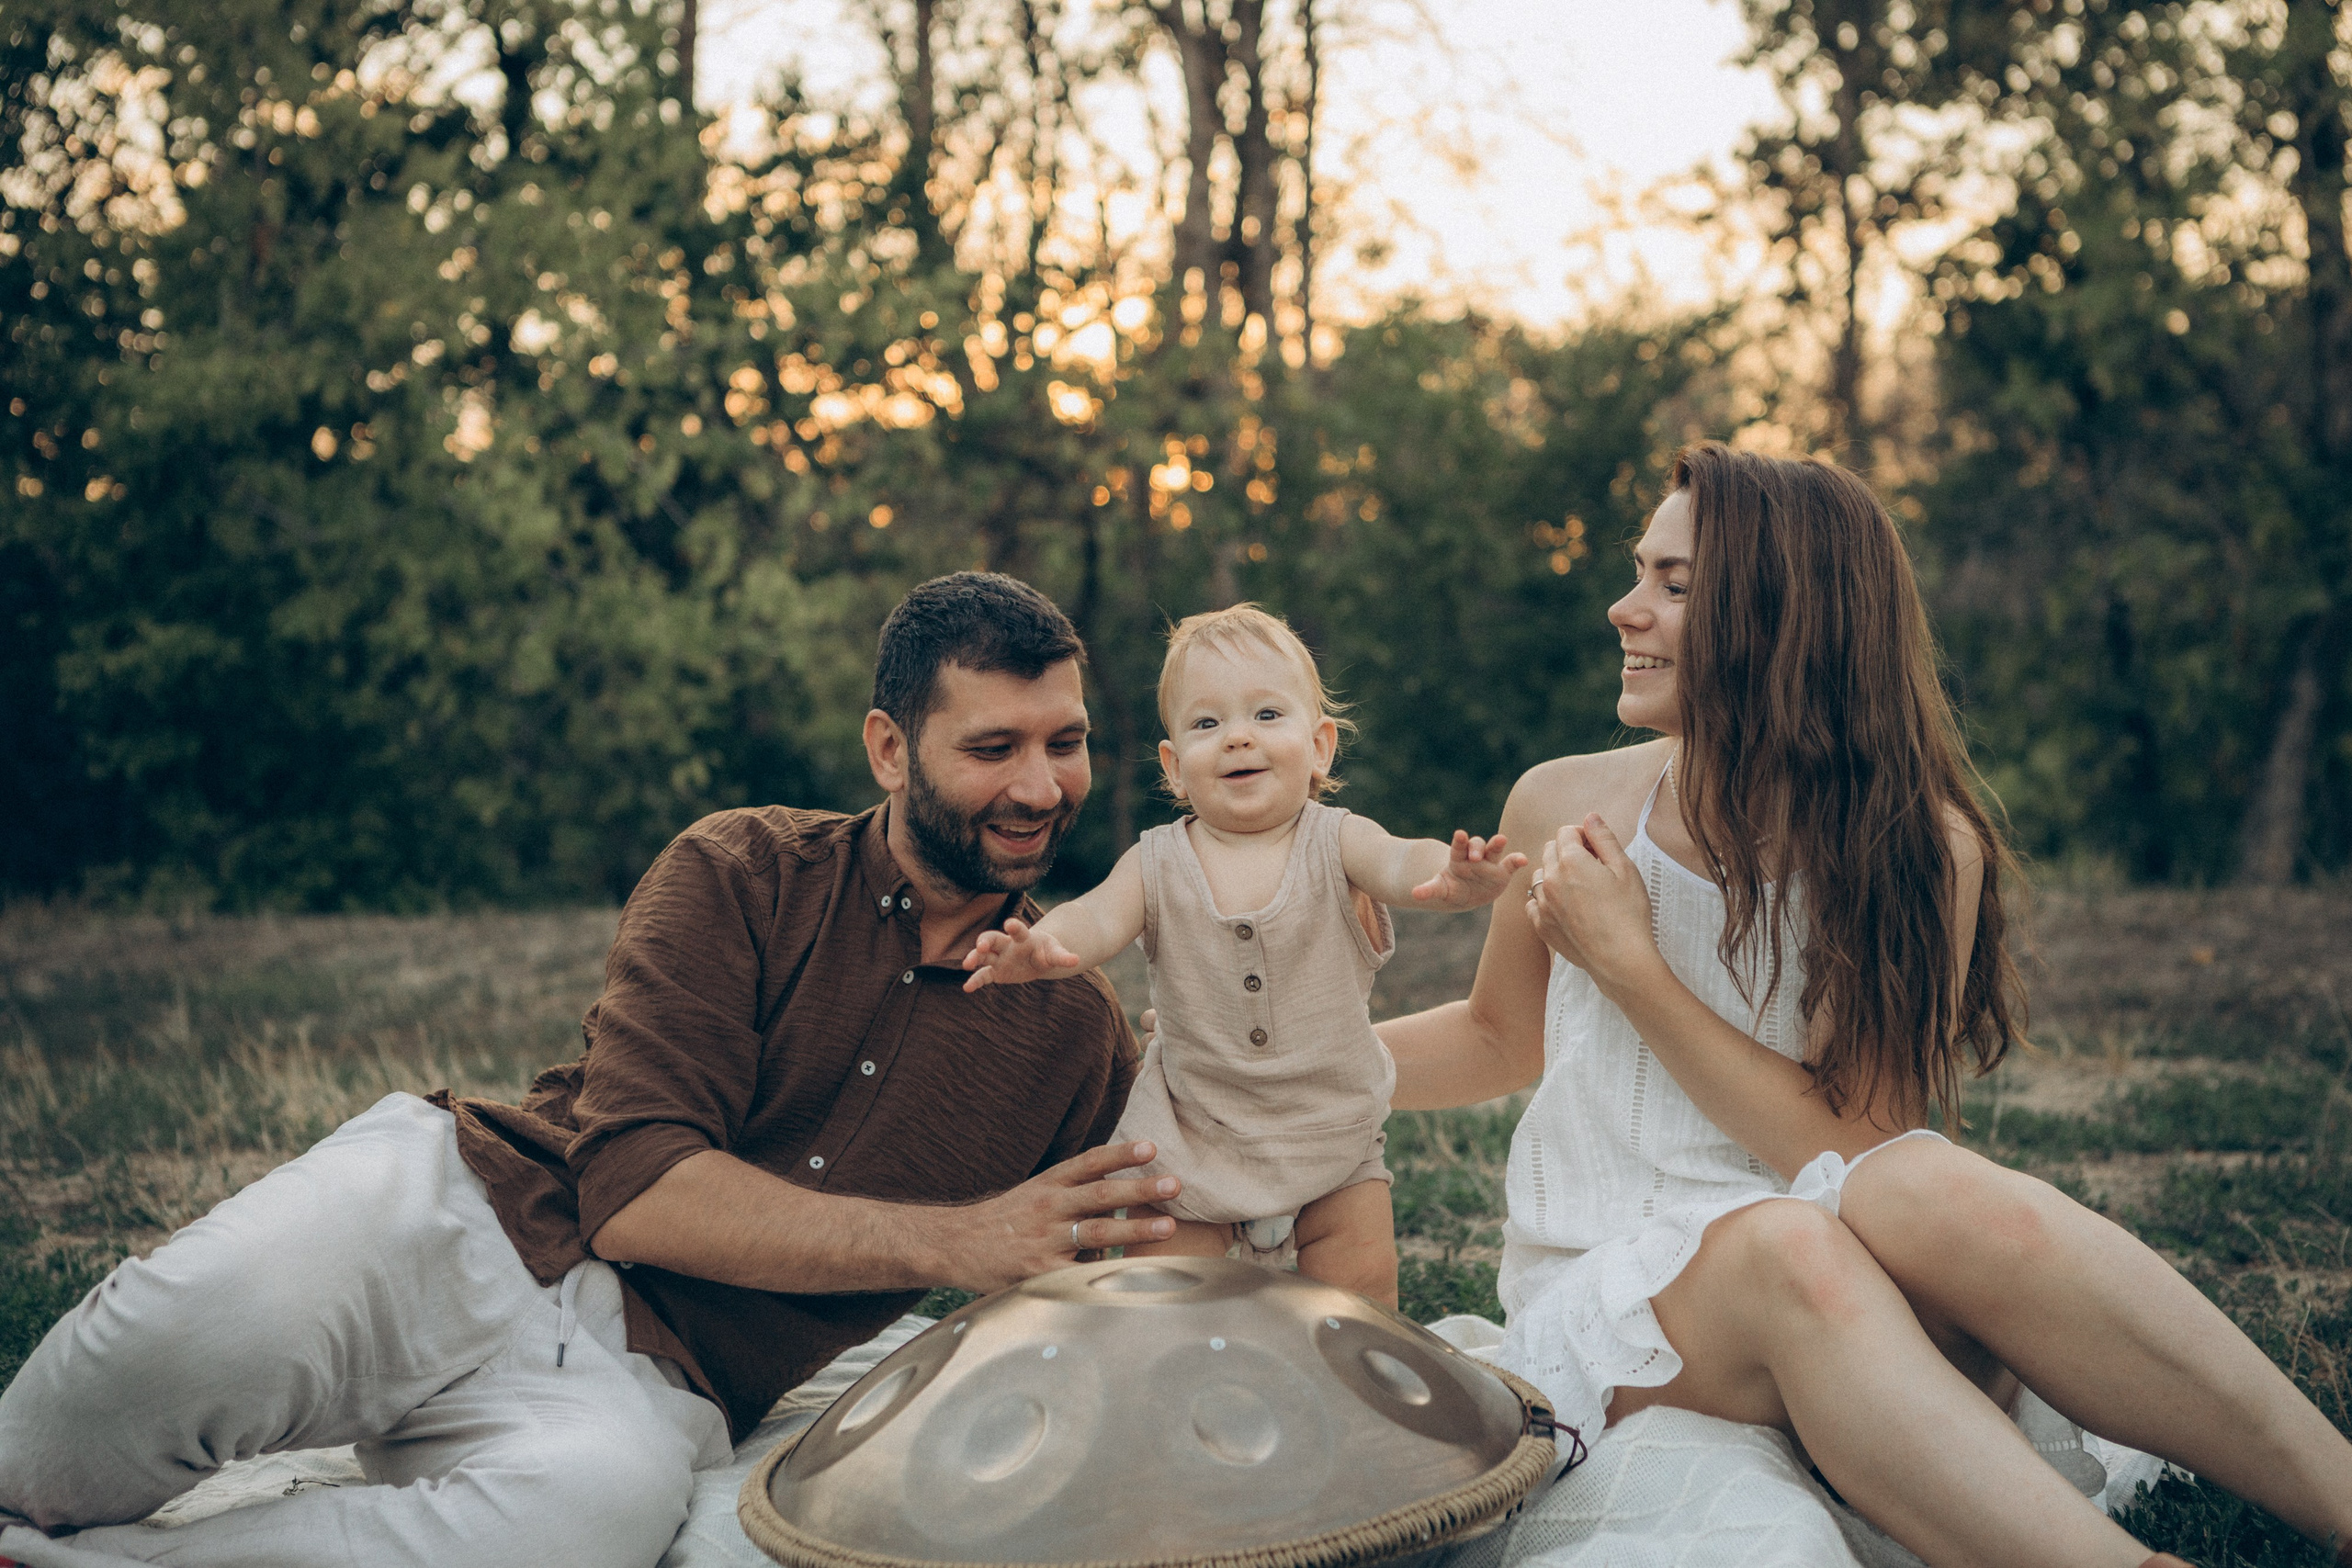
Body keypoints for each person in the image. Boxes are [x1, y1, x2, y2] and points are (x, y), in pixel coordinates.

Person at [0, 571, 1178, 1568]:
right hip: (456, 1223)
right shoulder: (742, 871)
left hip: (648, 1386)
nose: (1040, 788)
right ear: (888, 748)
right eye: (994, 747)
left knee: (589, 1523)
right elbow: (636, 1192)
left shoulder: (1075, 1033)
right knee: (53, 1448)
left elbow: (1113, 1278)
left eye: (1065, 743)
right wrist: (950, 1243)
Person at [1377, 445, 2352, 1568]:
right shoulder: (1563, 803)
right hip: (1628, 1293)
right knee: (1790, 1245)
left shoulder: (1920, 848)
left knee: (1921, 1180)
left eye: (1674, 585)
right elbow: (1497, 1036)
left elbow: (1852, 1153)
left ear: (1785, 620)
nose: (1623, 607)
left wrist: (1632, 967)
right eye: (1639, 572)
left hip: (1849, 1255)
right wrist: (1256, 1076)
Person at [961, 604, 1523, 1306]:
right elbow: (1098, 914)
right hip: (1196, 1143)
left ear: (1319, 746)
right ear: (1174, 765)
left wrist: (1451, 878)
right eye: (1206, 723)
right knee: (1165, 1300)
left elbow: (1400, 860)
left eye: (1265, 715)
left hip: (1333, 1143)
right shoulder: (1157, 860)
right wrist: (1045, 945)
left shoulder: (1337, 840)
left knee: (1360, 1304)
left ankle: (1343, 1402)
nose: (1236, 739)